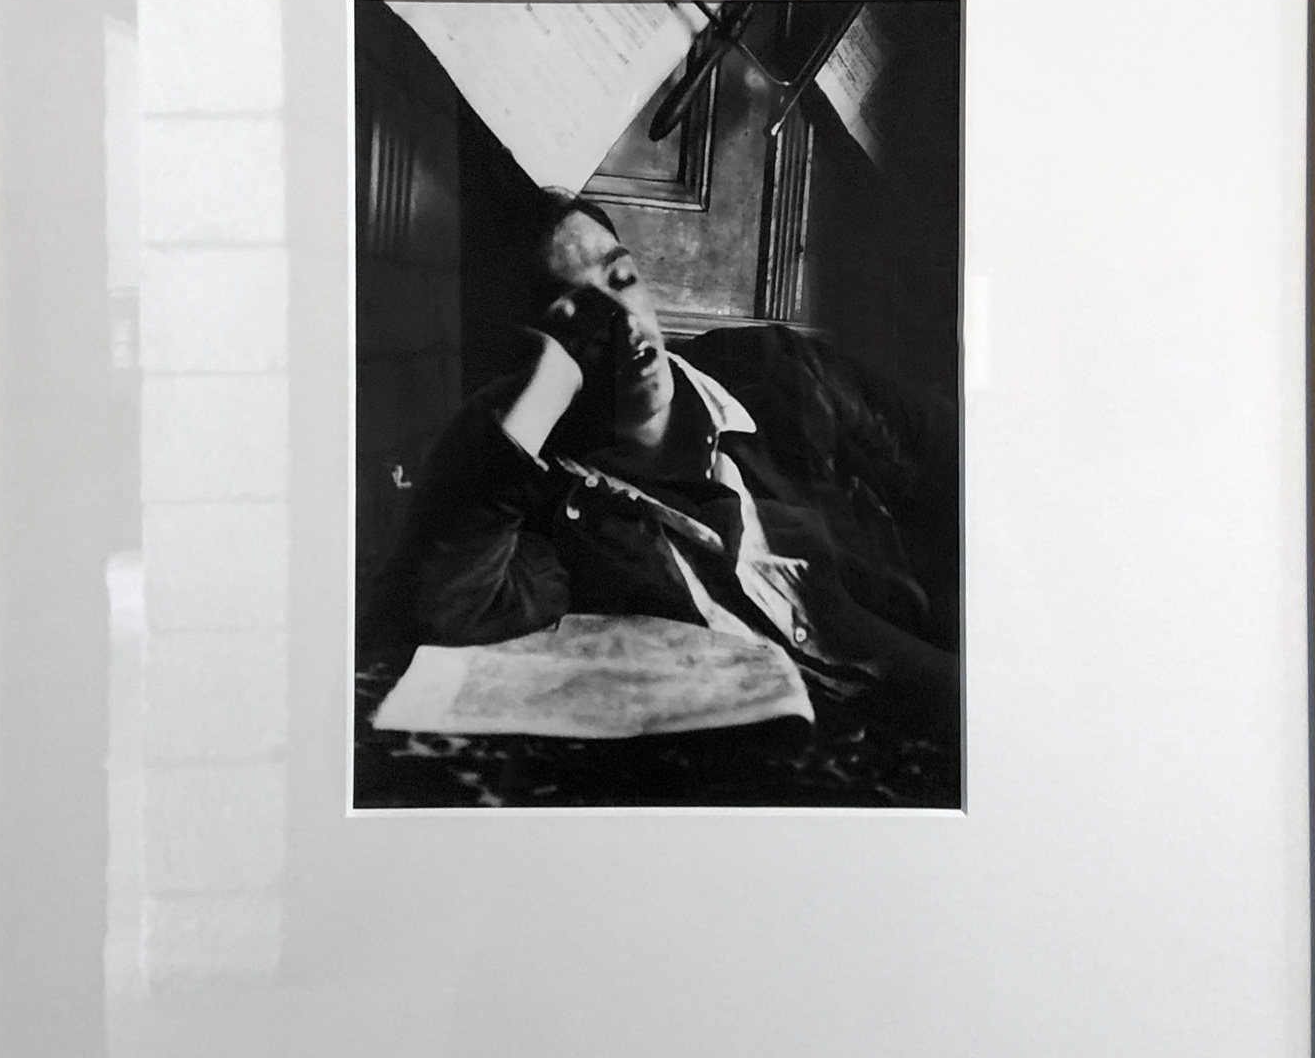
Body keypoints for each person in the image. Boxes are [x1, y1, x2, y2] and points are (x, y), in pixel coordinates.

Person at [368, 190, 960, 740]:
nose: (624, 323)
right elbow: (447, 605)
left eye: (623, 279)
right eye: (575, 315)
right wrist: (535, 392)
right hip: (805, 755)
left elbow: (953, 459)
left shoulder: (776, 372)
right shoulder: (563, 515)